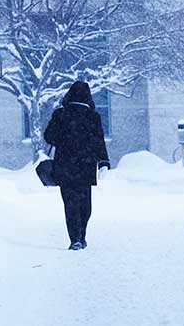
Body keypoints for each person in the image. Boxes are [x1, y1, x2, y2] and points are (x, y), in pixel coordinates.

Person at [44, 81, 110, 251]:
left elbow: (49, 137)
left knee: (70, 203)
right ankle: (81, 235)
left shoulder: (60, 114)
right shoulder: (93, 116)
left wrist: (63, 136)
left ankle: (75, 239)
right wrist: (103, 162)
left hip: (64, 165)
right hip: (85, 166)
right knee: (85, 204)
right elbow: (98, 140)